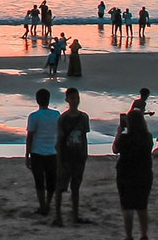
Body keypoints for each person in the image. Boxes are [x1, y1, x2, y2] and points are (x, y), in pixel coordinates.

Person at [52, 88, 90, 226]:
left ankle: (75, 215)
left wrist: (85, 154)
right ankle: (58, 217)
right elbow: (60, 141)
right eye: (72, 98)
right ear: (67, 100)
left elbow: (84, 137)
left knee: (75, 187)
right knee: (60, 187)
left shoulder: (84, 117)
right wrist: (59, 162)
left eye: (77, 98)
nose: (75, 101)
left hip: (79, 157)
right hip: (66, 158)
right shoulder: (63, 118)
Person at [114, 109, 153, 240]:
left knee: (127, 207)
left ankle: (129, 236)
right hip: (144, 173)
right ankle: (144, 234)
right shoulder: (148, 138)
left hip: (126, 173)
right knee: (142, 206)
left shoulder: (125, 138)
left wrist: (119, 132)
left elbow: (115, 149)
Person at [25, 88, 60, 216]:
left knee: (39, 181)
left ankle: (43, 205)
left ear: (37, 100)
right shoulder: (56, 115)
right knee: (51, 180)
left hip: (38, 152)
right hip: (52, 152)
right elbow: (59, 134)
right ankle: (48, 204)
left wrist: (27, 155)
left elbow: (30, 137)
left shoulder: (34, 116)